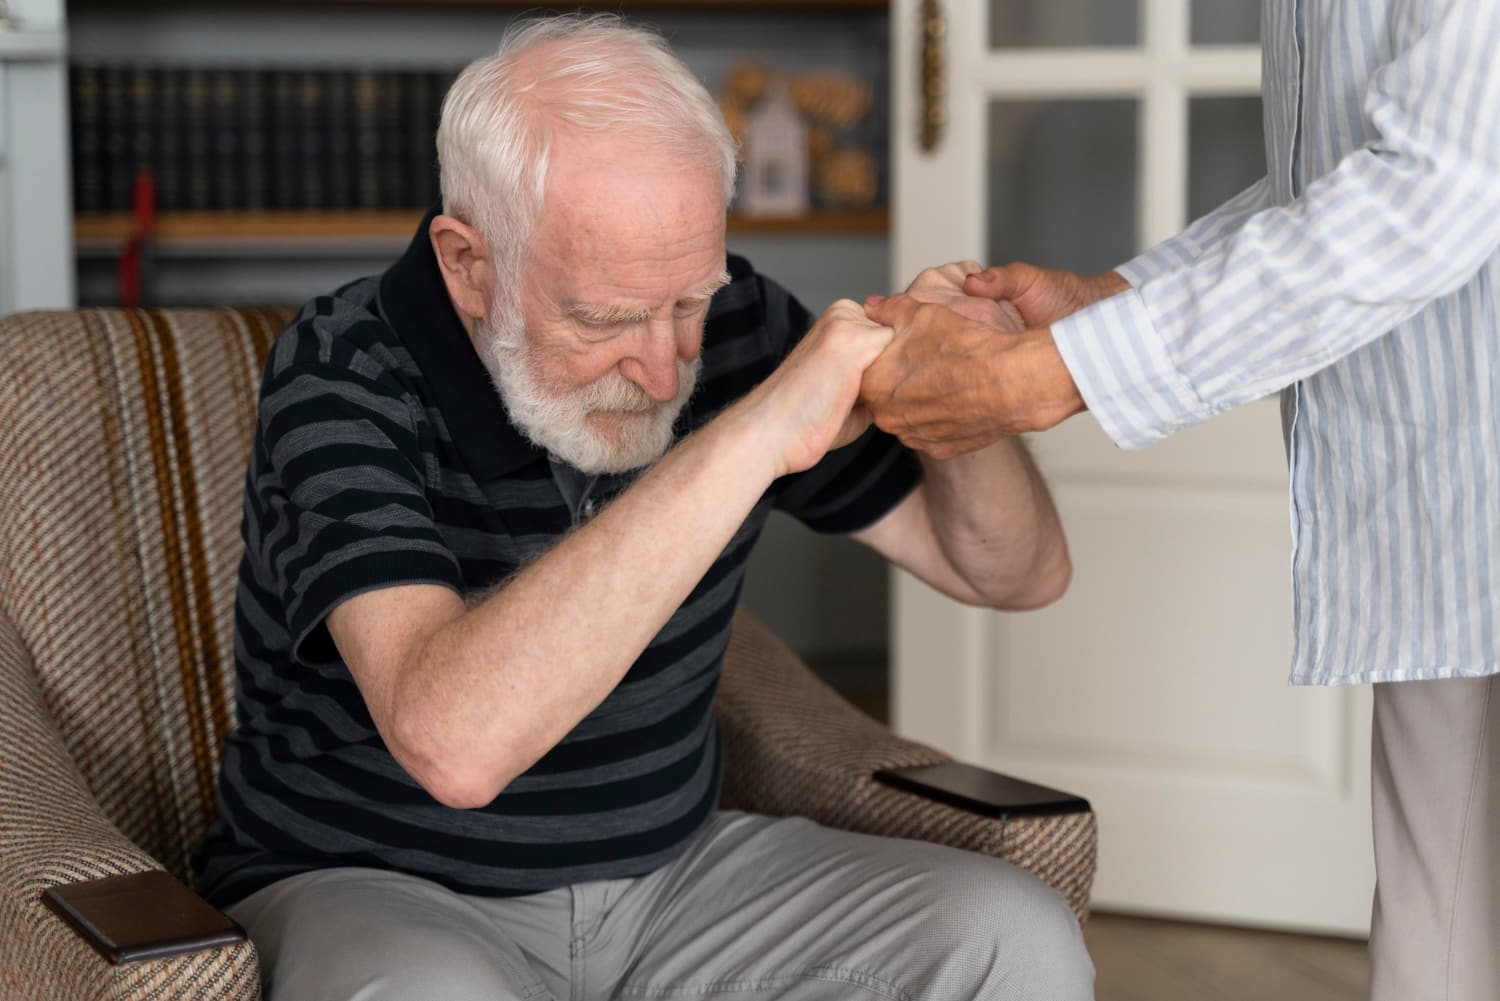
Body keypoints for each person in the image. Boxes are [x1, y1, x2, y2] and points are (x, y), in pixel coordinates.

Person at [193, 14, 1094, 1001]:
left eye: (689, 302)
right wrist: (756, 435)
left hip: (677, 880)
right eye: (605, 318)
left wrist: (962, 389)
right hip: (379, 885)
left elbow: (1015, 572)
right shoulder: (341, 370)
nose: (665, 369)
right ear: (467, 264)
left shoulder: (744, 323)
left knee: (1015, 935)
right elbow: (453, 746)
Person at [860, 3, 1500, 1000]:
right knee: (1437, 935)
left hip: (1462, 462)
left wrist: (1062, 371)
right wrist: (1114, 303)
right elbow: (1353, 168)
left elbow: (1443, 182)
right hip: (1446, 496)